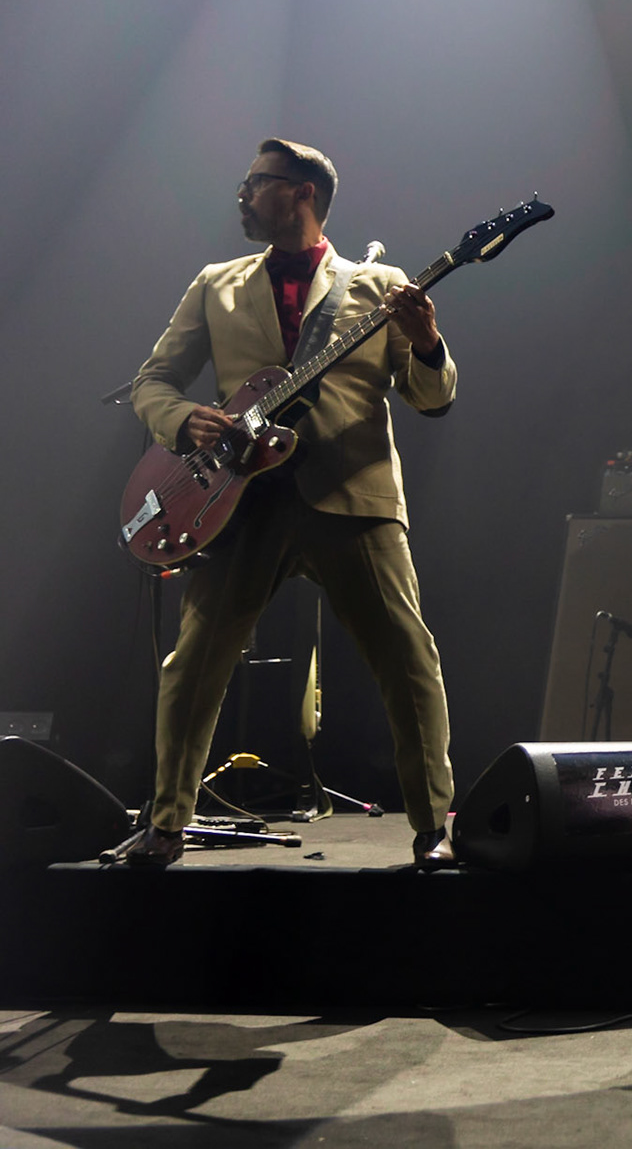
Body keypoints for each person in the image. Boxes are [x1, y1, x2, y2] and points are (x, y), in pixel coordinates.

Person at [122, 138, 459, 869]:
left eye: (256, 183)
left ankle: (435, 827)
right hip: (238, 501)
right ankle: (167, 824)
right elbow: (152, 383)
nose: (242, 195)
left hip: (352, 498)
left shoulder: (378, 285)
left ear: (301, 191)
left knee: (408, 659)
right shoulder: (216, 284)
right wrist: (185, 421)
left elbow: (433, 397)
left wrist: (427, 342)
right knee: (194, 665)